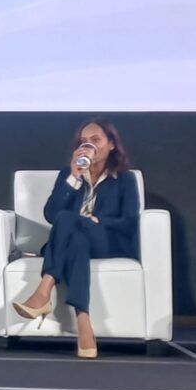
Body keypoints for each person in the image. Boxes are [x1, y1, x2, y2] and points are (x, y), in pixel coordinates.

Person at [12, 118, 139, 359]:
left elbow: (130, 220)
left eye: (96, 140)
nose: (88, 146)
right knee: (75, 238)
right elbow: (51, 214)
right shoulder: (68, 175)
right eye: (84, 141)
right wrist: (73, 178)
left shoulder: (124, 178)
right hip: (74, 241)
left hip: (107, 241)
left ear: (111, 144)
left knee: (69, 220)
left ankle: (44, 289)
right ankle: (83, 322)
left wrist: (96, 221)